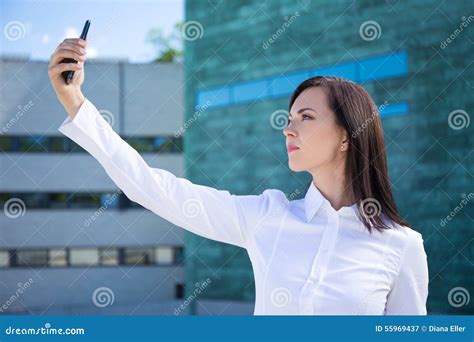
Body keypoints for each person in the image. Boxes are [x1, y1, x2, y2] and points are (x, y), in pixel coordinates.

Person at [48, 38, 429, 315]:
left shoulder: (401, 246)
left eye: (306, 117)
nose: (288, 129)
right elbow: (154, 187)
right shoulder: (268, 217)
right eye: (290, 117)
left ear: (347, 135)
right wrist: (77, 103)